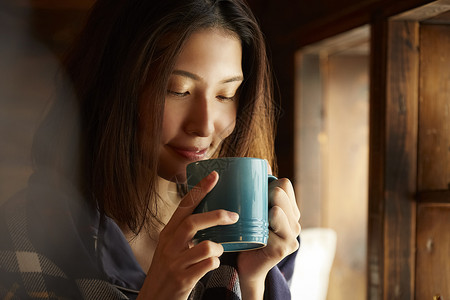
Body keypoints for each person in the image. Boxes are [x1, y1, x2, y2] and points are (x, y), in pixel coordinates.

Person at [0, 0, 301, 299]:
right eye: (178, 90)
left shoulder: (248, 235)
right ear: (115, 85)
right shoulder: (28, 232)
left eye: (226, 95)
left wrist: (254, 281)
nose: (205, 126)